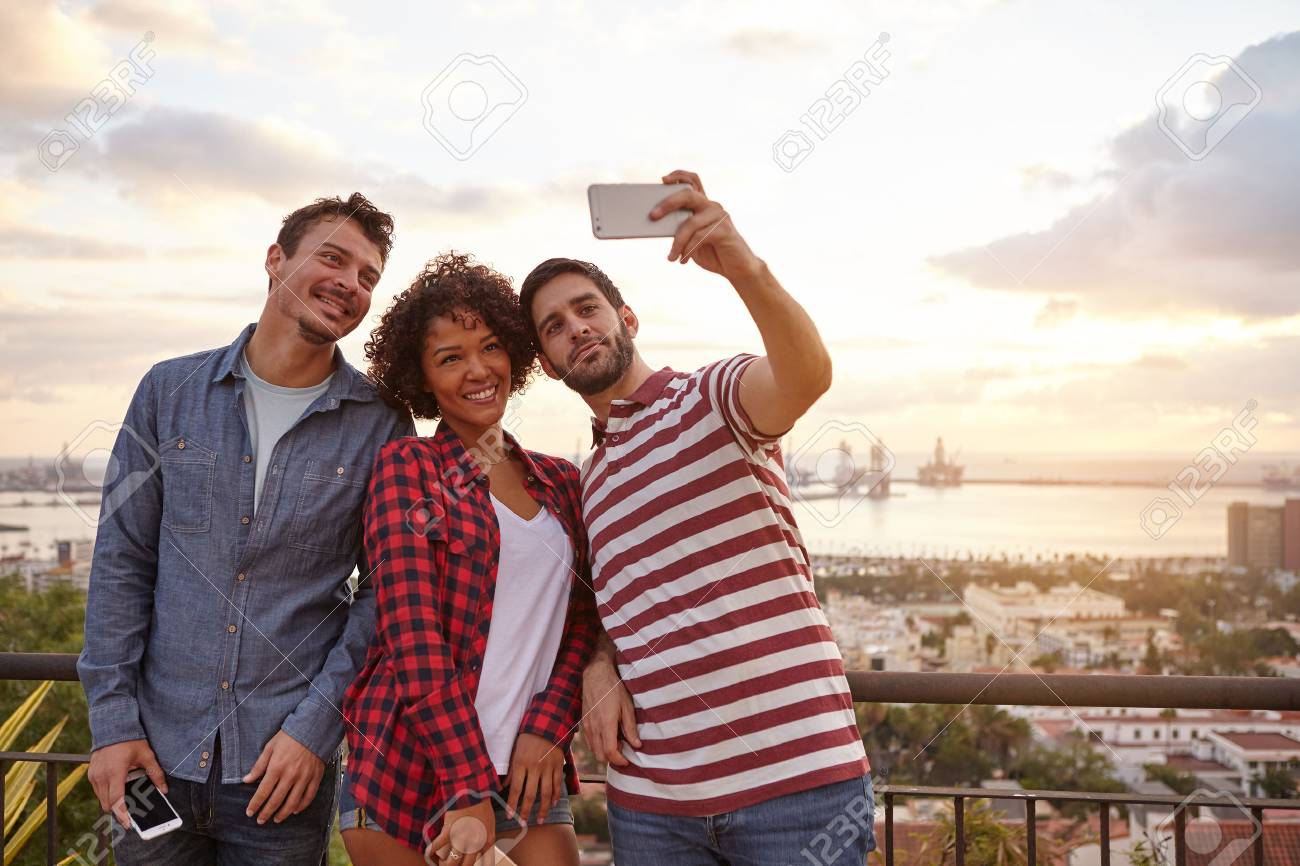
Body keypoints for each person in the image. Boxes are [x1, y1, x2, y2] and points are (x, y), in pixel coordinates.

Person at [518, 170, 875, 865]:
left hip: (792, 787)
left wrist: (743, 266)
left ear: (627, 318)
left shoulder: (710, 399)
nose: (576, 329)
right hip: (652, 807)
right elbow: (612, 607)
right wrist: (600, 664)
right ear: (550, 365)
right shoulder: (589, 481)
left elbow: (805, 376)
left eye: (587, 308)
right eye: (554, 328)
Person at [79, 193, 413, 865]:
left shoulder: (382, 423)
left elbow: (384, 595)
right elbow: (123, 560)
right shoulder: (167, 392)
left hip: (280, 776)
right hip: (152, 762)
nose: (350, 283)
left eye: (369, 276)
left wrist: (316, 731)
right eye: (333, 257)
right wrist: (111, 726)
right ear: (275, 259)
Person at [340, 253, 596, 866]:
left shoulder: (560, 481)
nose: (477, 370)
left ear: (514, 352)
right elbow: (411, 635)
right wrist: (466, 784)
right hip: (412, 771)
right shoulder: (409, 469)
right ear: (423, 378)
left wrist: (548, 728)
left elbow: (582, 622)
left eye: (489, 347)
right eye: (450, 358)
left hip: (530, 771)